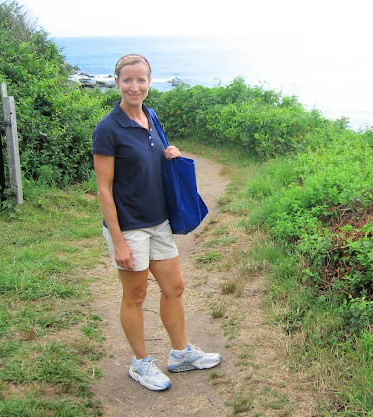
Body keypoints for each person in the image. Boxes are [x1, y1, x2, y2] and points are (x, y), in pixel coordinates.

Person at [92, 54, 221, 391]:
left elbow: (153, 158)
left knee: (174, 287)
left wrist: (170, 153)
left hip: (158, 220)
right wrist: (118, 240)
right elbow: (104, 190)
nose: (134, 86)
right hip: (130, 224)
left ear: (149, 82)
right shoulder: (108, 129)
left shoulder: (152, 116)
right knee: (135, 294)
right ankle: (141, 363)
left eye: (141, 80)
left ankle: (180, 354)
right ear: (116, 81)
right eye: (127, 80)